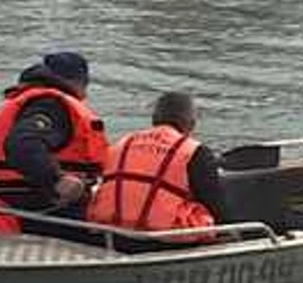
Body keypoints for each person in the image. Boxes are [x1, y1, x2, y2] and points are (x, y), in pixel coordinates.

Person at [0, 51, 109, 239]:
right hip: (46, 207)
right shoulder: (52, 105)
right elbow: (23, 144)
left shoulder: (33, 100)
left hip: (16, 200)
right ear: (79, 82)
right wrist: (56, 180)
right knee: (137, 231)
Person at [86, 92, 232, 253]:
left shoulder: (121, 144)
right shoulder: (194, 152)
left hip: (109, 235)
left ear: (154, 119)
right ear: (191, 124)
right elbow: (217, 208)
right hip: (163, 242)